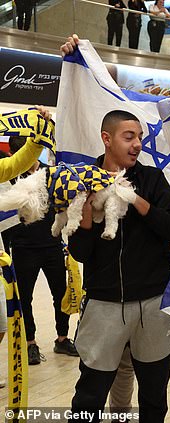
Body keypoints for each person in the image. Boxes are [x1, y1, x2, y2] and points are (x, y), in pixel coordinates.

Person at [57, 37, 170, 416]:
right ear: (107, 138)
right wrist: (84, 216)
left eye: (140, 138)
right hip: (103, 304)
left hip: (153, 302)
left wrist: (136, 201)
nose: (136, 145)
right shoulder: (85, 180)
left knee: (153, 396)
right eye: (129, 137)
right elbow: (79, 253)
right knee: (89, 396)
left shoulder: (152, 180)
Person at [3, 136, 79, 366]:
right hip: (23, 248)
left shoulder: (51, 174)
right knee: (24, 297)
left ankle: (62, 338)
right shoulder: (10, 179)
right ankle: (30, 343)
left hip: (52, 243)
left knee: (61, 294)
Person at [0, 106, 52, 378]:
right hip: (21, 249)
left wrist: (37, 136)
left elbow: (17, 164)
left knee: (0, 323)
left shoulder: (1, 168)